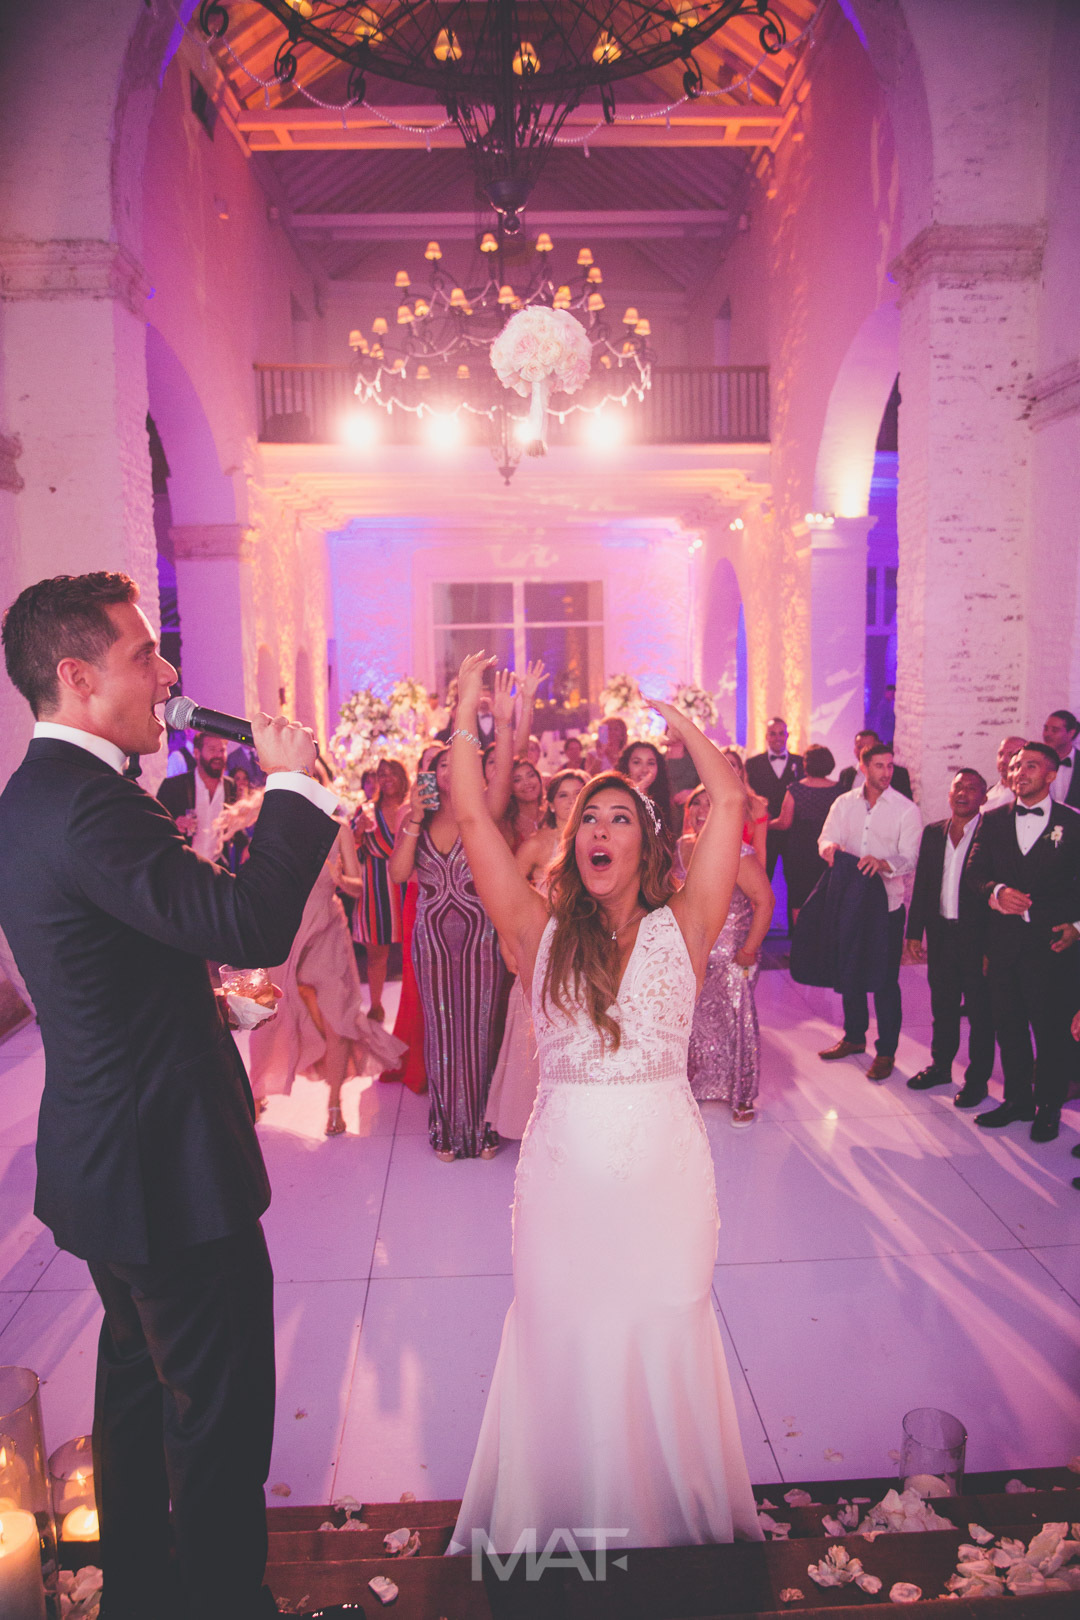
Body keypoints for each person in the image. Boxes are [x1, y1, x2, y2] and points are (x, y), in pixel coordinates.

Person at [0, 572, 341, 1620]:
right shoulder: (91, 804)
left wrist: (203, 1008)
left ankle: (143, 1590)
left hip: (110, 1156)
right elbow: (249, 924)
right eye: (144, 653)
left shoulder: (37, 795)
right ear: (76, 675)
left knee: (140, 1387)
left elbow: (103, 964)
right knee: (217, 1412)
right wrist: (296, 788)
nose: (168, 671)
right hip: (167, 1172)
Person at [448, 652, 762, 1554]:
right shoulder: (535, 929)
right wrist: (467, 712)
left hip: (666, 1184)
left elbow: (730, 801)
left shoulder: (686, 924)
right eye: (589, 816)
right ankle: (562, 1520)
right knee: (563, 1331)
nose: (600, 829)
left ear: (646, 846)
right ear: (572, 838)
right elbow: (470, 817)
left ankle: (666, 1518)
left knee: (665, 1323)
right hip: (562, 1192)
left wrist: (677, 719)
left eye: (620, 818)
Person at [388, 677, 515, 1159]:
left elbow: (503, 775)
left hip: (482, 937)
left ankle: (483, 1127)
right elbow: (399, 873)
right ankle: (445, 1126)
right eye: (440, 764)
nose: (447, 770)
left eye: (454, 763)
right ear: (429, 773)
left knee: (483, 1027)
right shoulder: (413, 818)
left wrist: (503, 724)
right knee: (442, 1031)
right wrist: (414, 818)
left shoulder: (480, 813)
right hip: (432, 941)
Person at [965, 742, 1080, 1141]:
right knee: (1008, 1026)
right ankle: (1016, 1100)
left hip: (1052, 945)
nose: (1019, 772)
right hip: (1004, 945)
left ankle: (1049, 1106)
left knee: (1051, 1031)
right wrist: (996, 891)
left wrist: (1077, 926)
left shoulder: (1073, 822)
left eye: (1031, 766)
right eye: (1015, 766)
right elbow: (974, 873)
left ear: (1051, 775)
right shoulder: (992, 819)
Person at [486, 770, 588, 1141]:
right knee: (536, 1032)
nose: (572, 801)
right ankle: (533, 1122)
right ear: (551, 802)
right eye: (564, 795)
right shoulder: (537, 844)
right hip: (544, 945)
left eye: (579, 793)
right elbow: (505, 896)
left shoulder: (601, 840)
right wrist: (506, 942)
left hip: (590, 946)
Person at [817, 741, 923, 1080]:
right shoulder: (843, 803)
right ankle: (853, 1037)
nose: (886, 772)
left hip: (887, 907)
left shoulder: (906, 809)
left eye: (890, 765)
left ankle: (886, 1052)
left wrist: (883, 863)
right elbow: (825, 838)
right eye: (879, 765)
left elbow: (910, 858)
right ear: (863, 767)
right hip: (850, 902)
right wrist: (829, 848)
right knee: (850, 971)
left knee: (885, 981)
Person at [903, 770, 995, 1107]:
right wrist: (914, 933)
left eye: (972, 788)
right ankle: (940, 1066)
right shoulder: (933, 833)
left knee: (981, 1013)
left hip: (977, 939)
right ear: (949, 793)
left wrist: (992, 948)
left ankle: (977, 1081)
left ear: (983, 797)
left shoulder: (992, 835)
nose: (963, 793)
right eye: (958, 787)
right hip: (941, 934)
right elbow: (923, 886)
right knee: (942, 1006)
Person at [684, 786, 774, 1125]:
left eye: (710, 803)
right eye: (696, 803)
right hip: (691, 953)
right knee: (692, 1027)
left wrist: (749, 949)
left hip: (732, 955)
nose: (701, 809)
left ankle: (742, 1096)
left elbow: (765, 902)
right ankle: (692, 1088)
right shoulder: (679, 847)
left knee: (737, 1025)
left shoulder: (738, 852)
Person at [350, 757, 409, 1021]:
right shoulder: (366, 811)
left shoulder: (413, 809)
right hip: (375, 891)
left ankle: (414, 1008)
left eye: (392, 773)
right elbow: (350, 851)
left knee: (414, 953)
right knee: (377, 955)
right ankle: (375, 1006)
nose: (387, 779)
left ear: (402, 777)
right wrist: (358, 832)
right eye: (382, 774)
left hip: (409, 886)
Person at [770, 744, 843, 920]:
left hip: (799, 852)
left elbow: (784, 823)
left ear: (806, 764)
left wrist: (764, 824)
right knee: (826, 899)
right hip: (829, 852)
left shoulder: (796, 789)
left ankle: (800, 937)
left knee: (799, 900)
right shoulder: (839, 790)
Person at [158, 730, 249, 868]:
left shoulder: (229, 785)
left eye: (222, 750)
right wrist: (175, 825)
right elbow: (156, 828)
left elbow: (234, 825)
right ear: (196, 753)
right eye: (212, 749)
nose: (218, 755)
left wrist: (247, 845)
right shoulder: (174, 786)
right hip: (182, 867)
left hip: (217, 868)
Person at [745, 716, 803, 883]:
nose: (778, 738)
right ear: (766, 737)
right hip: (763, 832)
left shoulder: (800, 762)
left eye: (781, 733)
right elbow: (749, 794)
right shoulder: (753, 763)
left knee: (795, 880)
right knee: (761, 878)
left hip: (793, 832)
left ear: (787, 735)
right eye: (773, 733)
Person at [618, 739, 676, 848]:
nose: (644, 770)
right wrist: (637, 790)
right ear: (626, 765)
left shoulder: (662, 803)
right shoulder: (614, 796)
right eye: (637, 762)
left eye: (650, 763)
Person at [837, 730, 914, 799]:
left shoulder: (898, 774)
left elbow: (906, 802)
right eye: (860, 747)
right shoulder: (846, 774)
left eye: (868, 747)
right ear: (855, 750)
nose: (864, 751)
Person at [664, 722, 701, 834]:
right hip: (664, 812)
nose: (674, 733)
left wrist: (692, 793)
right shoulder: (658, 760)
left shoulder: (696, 761)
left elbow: (707, 787)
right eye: (671, 729)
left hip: (688, 814)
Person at [1043, 709, 1080, 809]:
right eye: (1046, 729)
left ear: (1071, 733)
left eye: (1054, 730)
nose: (1047, 734)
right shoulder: (1037, 761)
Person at [984, 733, 1026, 811]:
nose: (1002, 760)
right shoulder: (988, 793)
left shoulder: (1029, 794)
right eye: (1000, 754)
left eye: (1011, 755)